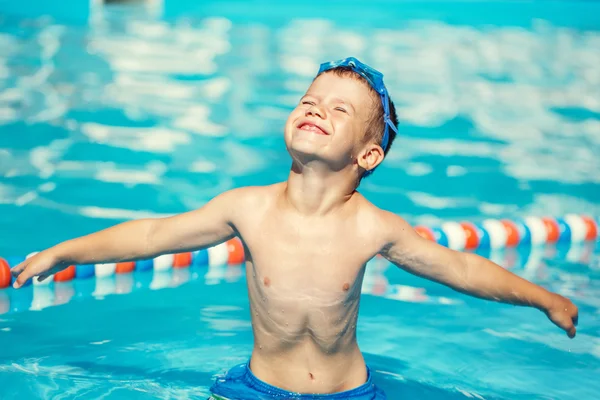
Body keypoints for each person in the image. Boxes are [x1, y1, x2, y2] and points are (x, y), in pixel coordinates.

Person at [10, 57, 578, 400]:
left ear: (369, 155)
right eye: (309, 99)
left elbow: (458, 267)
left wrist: (542, 298)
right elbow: (154, 236)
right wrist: (64, 252)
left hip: (350, 392)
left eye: (339, 111)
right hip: (253, 388)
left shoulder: (373, 227)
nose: (315, 109)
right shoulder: (248, 209)